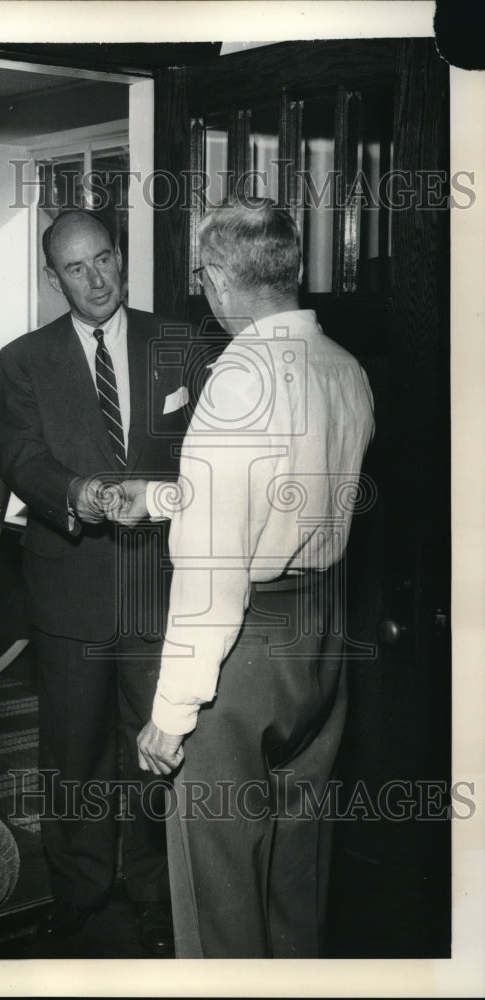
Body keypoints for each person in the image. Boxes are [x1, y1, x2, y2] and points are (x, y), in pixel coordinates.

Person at [113, 197, 375, 957]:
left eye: (203, 277)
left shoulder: (239, 379)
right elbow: (291, 489)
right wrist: (165, 497)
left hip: (245, 647)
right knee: (297, 866)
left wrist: (172, 708)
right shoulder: (342, 367)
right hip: (321, 632)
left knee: (217, 881)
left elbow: (216, 567)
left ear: (221, 279)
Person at [0, 209, 189, 955]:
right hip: (68, 590)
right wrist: (72, 493)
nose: (96, 278)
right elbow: (15, 450)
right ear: (52, 278)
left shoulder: (179, 342)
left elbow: (208, 451)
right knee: (71, 755)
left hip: (158, 590)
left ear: (121, 258)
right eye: (77, 268)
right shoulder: (24, 359)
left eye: (105, 259)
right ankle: (77, 897)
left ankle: (158, 900)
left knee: (156, 753)